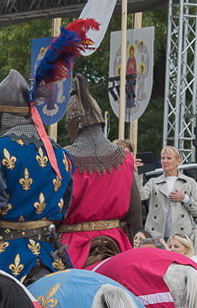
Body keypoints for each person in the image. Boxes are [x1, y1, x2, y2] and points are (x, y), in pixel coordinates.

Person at [0, 69, 72, 281]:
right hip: (52, 258)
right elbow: (66, 206)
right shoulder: (60, 153)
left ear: (0, 115)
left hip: (6, 259)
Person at [59, 74, 141, 268]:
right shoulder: (125, 158)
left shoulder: (63, 159)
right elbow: (135, 214)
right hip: (118, 245)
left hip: (73, 248)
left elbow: (55, 208)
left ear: (73, 124)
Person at [142, 146, 197, 242]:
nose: (165, 161)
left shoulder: (190, 183)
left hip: (181, 237)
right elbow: (141, 196)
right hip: (156, 235)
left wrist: (185, 198)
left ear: (178, 161)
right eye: (163, 158)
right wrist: (137, 174)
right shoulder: (153, 182)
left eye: (169, 158)